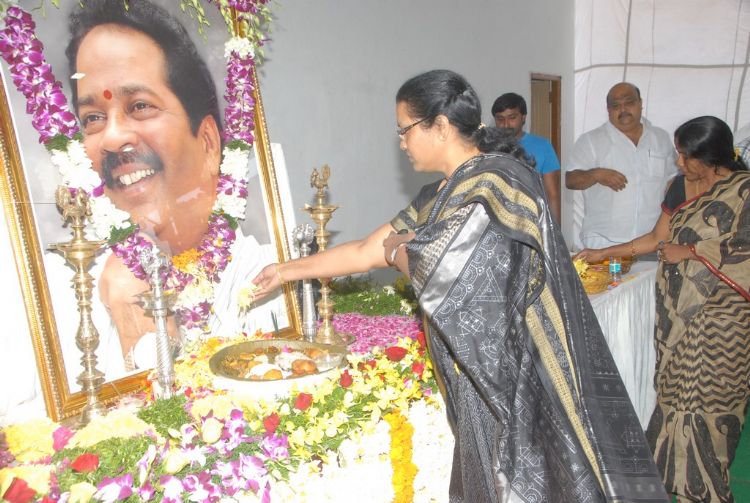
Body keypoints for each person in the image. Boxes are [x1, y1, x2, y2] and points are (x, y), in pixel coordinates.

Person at [253, 69, 668, 502]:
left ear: (440, 125)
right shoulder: (440, 194)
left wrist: (401, 249)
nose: (401, 142)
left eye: (405, 130)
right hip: (474, 375)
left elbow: (436, 267)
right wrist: (284, 271)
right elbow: (364, 250)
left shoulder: (496, 183)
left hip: (520, 375)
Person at [49, 0, 286, 379]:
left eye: (140, 106)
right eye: (93, 117)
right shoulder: (54, 292)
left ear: (208, 143)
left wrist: (139, 323)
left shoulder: (267, 276)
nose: (112, 138)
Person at [575, 116, 750, 502]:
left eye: (686, 156)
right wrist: (604, 253)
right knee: (675, 400)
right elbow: (657, 238)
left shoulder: (744, 191)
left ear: (710, 157)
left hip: (724, 322)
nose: (679, 162)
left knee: (711, 408)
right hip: (678, 319)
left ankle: (709, 490)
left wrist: (691, 251)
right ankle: (683, 489)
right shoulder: (679, 187)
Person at [565, 82, 677, 249]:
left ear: (640, 103)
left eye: (629, 103)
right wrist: (596, 175)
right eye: (616, 106)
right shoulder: (590, 141)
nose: (623, 109)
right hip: (604, 242)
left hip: (652, 240)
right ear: (608, 110)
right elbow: (570, 180)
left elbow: (673, 180)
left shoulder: (660, 138)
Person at [491, 92, 561, 223]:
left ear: (523, 118)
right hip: (496, 223)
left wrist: (555, 230)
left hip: (532, 222)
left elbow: (552, 194)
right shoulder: (487, 148)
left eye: (512, 118)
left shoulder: (543, 146)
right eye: (500, 119)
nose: (506, 124)